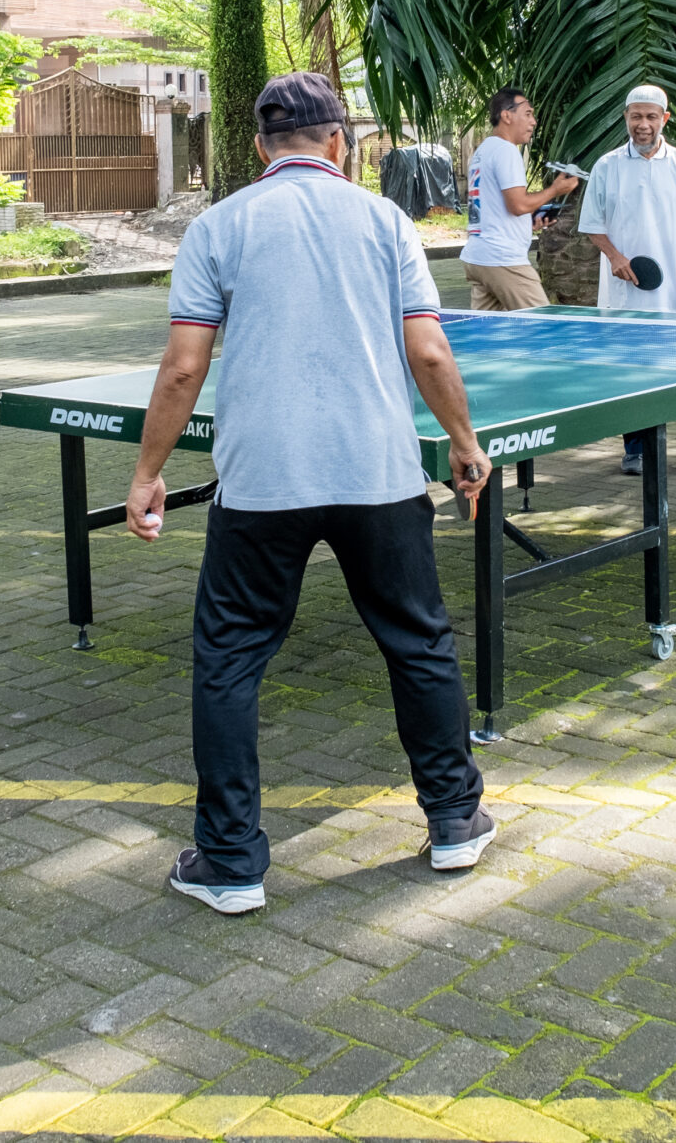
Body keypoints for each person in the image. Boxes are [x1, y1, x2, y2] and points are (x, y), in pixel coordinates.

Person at [126, 71, 496, 914]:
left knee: (229, 659)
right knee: (418, 643)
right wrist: (465, 446)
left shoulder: (219, 226)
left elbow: (185, 365)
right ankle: (454, 823)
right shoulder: (386, 220)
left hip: (262, 483)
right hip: (379, 474)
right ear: (340, 142)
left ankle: (228, 861)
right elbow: (431, 355)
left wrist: (148, 475)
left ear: (260, 146)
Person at [581, 85, 676, 476]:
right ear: (626, 118)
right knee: (632, 369)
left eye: (651, 117)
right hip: (625, 293)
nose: (642, 124)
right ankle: (636, 449)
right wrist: (614, 256)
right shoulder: (606, 166)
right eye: (636, 116)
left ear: (664, 119)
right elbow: (593, 225)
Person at [461, 87, 581, 310]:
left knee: (490, 338)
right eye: (527, 114)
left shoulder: (483, 151)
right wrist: (555, 189)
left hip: (479, 257)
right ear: (506, 116)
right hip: (503, 260)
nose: (533, 121)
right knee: (543, 327)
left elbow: (497, 208)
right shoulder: (506, 151)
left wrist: (528, 221)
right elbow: (518, 205)